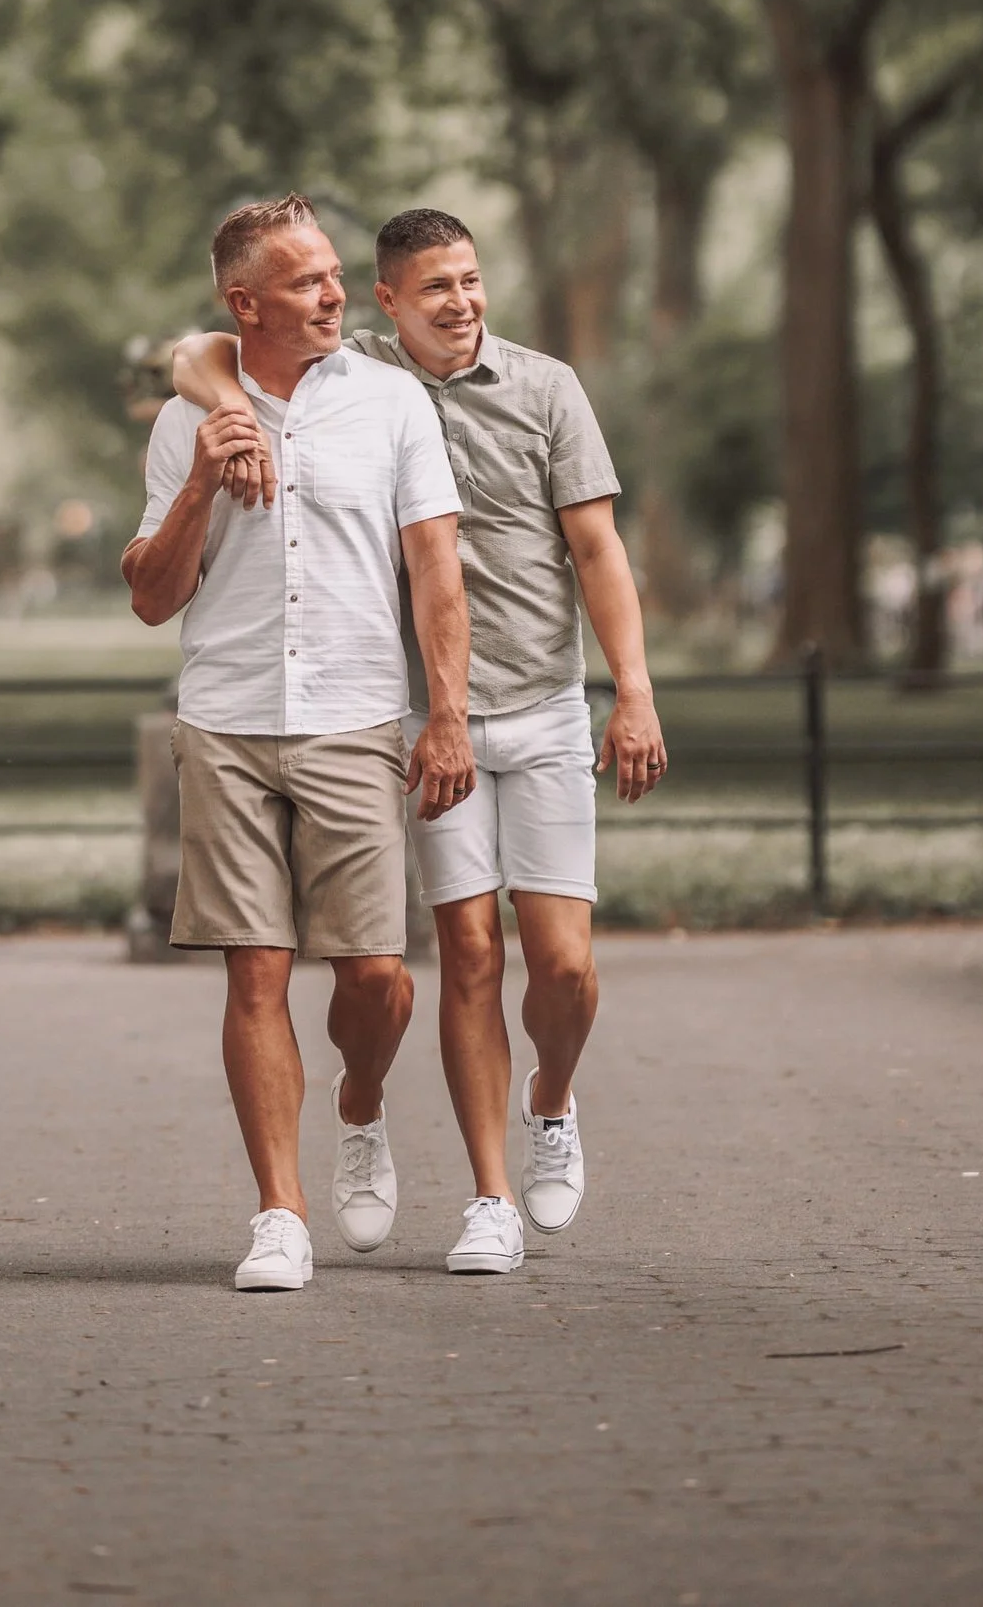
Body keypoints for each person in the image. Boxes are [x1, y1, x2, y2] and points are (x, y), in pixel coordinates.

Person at [171, 204, 667, 1277]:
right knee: (469, 955)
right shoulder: (355, 372)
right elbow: (197, 350)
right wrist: (219, 412)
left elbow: (596, 547)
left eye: (472, 279)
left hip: (537, 701)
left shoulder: (535, 388)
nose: (461, 300)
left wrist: (632, 690)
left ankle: (552, 1098)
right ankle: (486, 1193)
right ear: (393, 304)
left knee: (564, 967)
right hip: (407, 719)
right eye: (434, 285)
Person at [124, 193, 475, 1294]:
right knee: (257, 972)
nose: (334, 290)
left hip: (353, 715)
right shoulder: (189, 413)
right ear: (246, 302)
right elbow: (150, 597)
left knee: (375, 975)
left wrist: (447, 711)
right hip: (225, 721)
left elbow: (434, 570)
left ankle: (359, 1101)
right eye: (309, 278)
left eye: (333, 272)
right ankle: (279, 1211)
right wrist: (199, 475)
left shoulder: (389, 402)